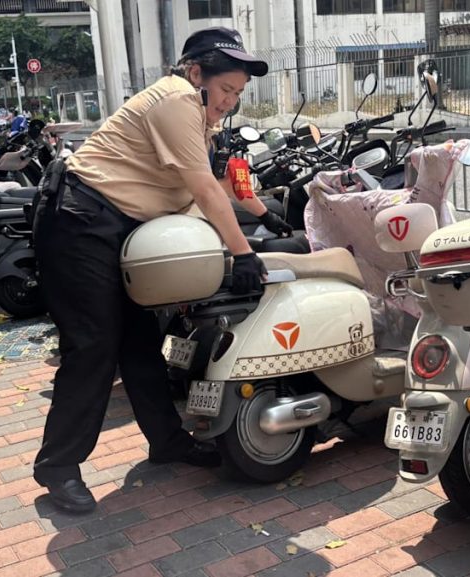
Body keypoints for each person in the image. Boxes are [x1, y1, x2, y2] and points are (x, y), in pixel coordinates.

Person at [31, 27, 291, 513]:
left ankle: (167, 441)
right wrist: (243, 255)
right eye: (226, 89)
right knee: (93, 346)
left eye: (238, 93)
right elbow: (205, 189)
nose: (230, 102)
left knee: (139, 342)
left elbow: (214, 185)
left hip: (113, 224)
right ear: (196, 73)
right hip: (79, 221)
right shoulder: (176, 100)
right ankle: (58, 467)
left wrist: (264, 214)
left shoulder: (198, 115)